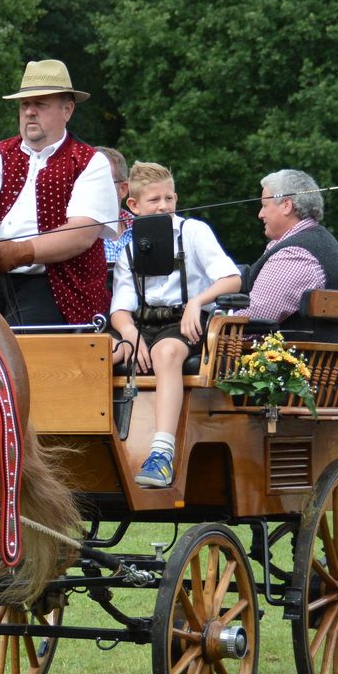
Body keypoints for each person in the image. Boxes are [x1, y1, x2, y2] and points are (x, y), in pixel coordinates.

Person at [0, 60, 118, 326]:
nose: (29, 111)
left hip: (56, 284)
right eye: (24, 104)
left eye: (40, 104)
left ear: (67, 110)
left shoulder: (90, 161)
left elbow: (81, 233)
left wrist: (21, 252)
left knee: (25, 345)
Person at [106, 162, 240, 487]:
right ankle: (95, 441)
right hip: (140, 323)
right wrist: (129, 334)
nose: (164, 206)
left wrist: (197, 301)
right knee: (99, 352)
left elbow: (231, 278)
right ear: (134, 206)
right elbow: (120, 310)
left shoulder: (193, 232)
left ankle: (161, 453)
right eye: (154, 200)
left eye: (169, 198)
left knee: (166, 353)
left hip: (185, 321)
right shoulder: (129, 249)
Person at [242, 169, 338, 324]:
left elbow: (254, 317)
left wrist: (212, 317)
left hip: (287, 348)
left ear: (287, 205)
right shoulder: (319, 243)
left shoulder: (296, 253)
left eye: (264, 205)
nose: (260, 214)